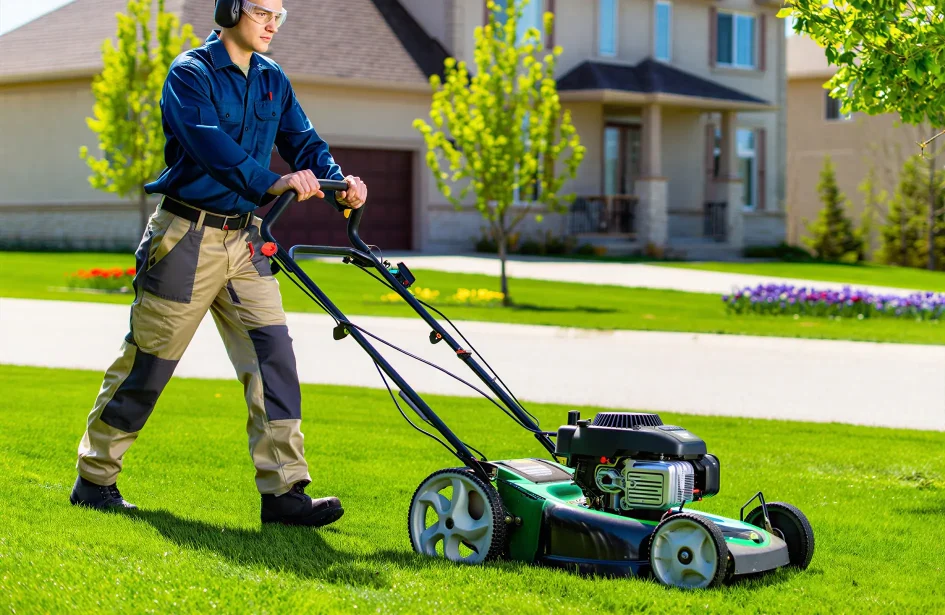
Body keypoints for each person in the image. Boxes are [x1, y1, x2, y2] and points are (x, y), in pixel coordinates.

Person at [69, 0, 366, 530]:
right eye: (262, 11)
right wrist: (269, 181)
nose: (274, 23)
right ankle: (95, 478)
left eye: (281, 14)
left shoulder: (273, 79)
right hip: (186, 238)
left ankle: (284, 492)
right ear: (229, 9)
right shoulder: (191, 74)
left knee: (273, 359)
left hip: (246, 242)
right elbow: (209, 146)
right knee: (149, 365)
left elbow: (304, 143)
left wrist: (340, 184)